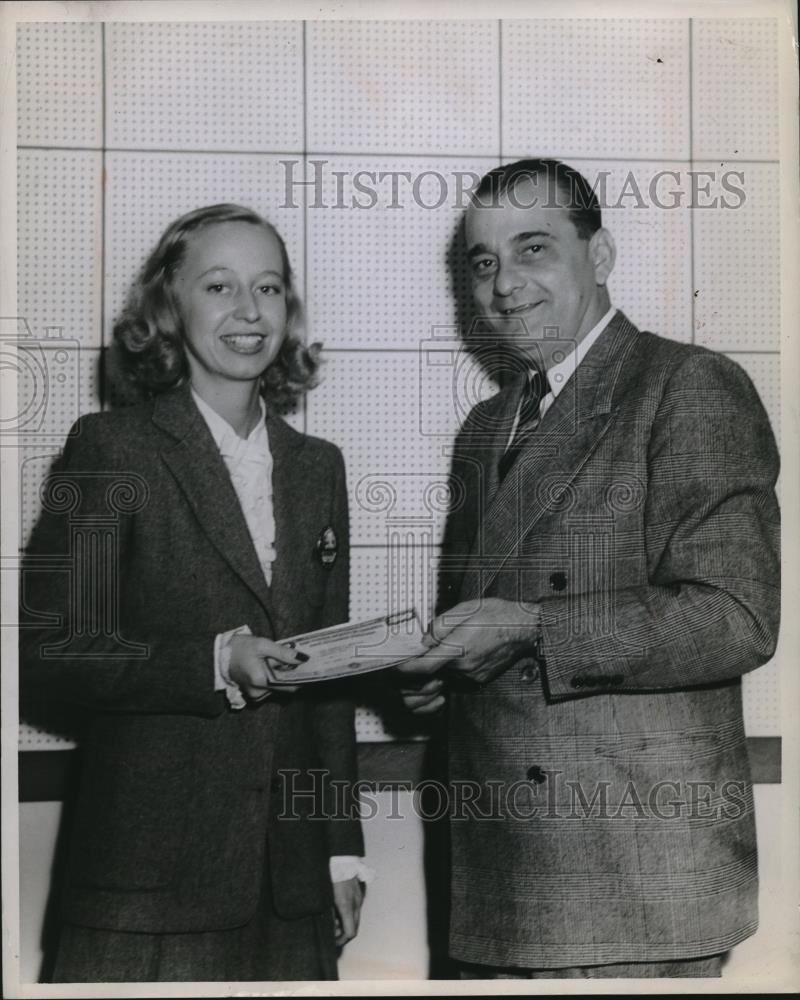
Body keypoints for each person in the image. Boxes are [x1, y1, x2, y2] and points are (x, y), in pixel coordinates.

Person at [397, 159, 780, 978]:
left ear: (599, 255)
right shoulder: (485, 426)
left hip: (632, 885)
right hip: (502, 878)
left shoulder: (688, 385)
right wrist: (441, 675)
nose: (503, 285)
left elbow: (736, 617)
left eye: (532, 249)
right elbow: (493, 631)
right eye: (483, 262)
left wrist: (533, 630)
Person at [20, 204, 368, 982]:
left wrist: (341, 847)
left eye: (270, 288)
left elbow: (329, 684)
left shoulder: (320, 467)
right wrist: (212, 662)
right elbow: (49, 651)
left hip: (291, 889)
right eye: (220, 286)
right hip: (146, 892)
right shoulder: (110, 447)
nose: (249, 311)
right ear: (169, 309)